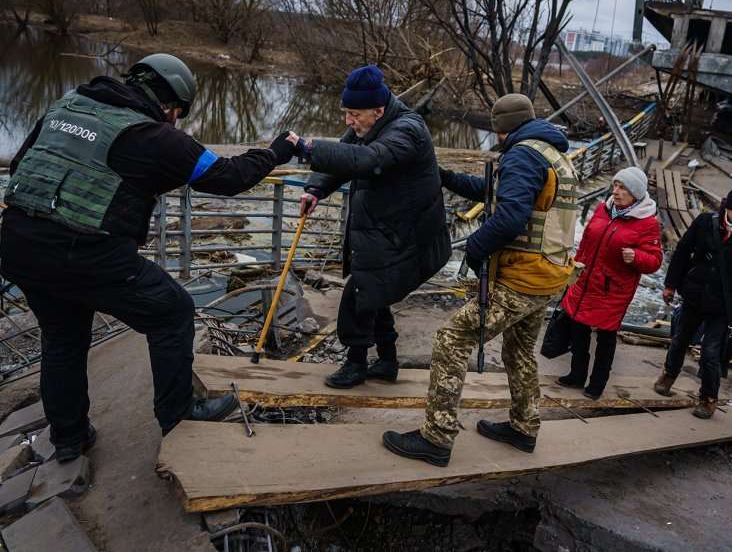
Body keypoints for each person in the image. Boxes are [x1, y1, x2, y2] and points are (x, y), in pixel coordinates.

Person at [0, 54, 298, 462]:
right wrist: (277, 151)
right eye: (176, 112)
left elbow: (20, 166)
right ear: (169, 104)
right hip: (85, 254)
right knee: (172, 311)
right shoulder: (153, 137)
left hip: (19, 243)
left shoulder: (67, 104)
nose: (174, 119)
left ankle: (70, 438)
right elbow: (230, 176)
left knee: (63, 339)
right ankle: (179, 415)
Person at [381, 93, 578, 467]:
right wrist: (447, 178)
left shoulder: (522, 155)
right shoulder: (552, 153)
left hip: (521, 276)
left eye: (497, 130)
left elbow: (511, 216)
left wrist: (474, 247)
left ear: (503, 129)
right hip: (548, 274)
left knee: (451, 339)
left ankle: (436, 438)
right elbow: (500, 194)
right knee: (518, 352)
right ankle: (523, 427)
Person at [287, 65, 450, 388]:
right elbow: (347, 153)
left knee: (360, 293)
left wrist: (308, 149)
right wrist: (315, 189)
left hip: (410, 236)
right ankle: (387, 361)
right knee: (376, 291)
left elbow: (368, 160)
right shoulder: (371, 123)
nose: (349, 121)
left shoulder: (407, 130)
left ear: (378, 109)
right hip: (386, 230)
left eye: (354, 114)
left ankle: (356, 363)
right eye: (346, 112)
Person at [654, 187, 732, 419]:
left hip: (727, 302)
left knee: (711, 352)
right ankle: (668, 375)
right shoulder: (706, 222)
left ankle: (708, 398)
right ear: (727, 207)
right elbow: (682, 251)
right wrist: (670, 284)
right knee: (680, 340)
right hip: (696, 293)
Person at [557, 167, 663, 399]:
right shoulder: (603, 209)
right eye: (615, 185)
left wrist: (636, 257)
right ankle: (576, 374)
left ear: (635, 192)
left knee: (605, 336)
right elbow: (586, 241)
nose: (615, 191)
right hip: (585, 280)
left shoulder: (647, 223)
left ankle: (597, 383)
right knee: (579, 329)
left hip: (613, 289)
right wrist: (574, 269)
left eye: (622, 187)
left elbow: (655, 260)